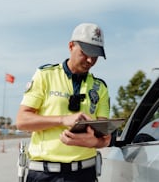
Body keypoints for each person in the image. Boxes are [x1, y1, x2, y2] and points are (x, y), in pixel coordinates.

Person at [16, 23, 111, 182]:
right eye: (85, 52)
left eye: (95, 56)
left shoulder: (100, 87)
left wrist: (93, 142)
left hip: (84, 173)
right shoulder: (45, 76)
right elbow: (22, 121)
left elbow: (105, 137)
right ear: (71, 46)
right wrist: (62, 119)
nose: (90, 60)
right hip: (44, 175)